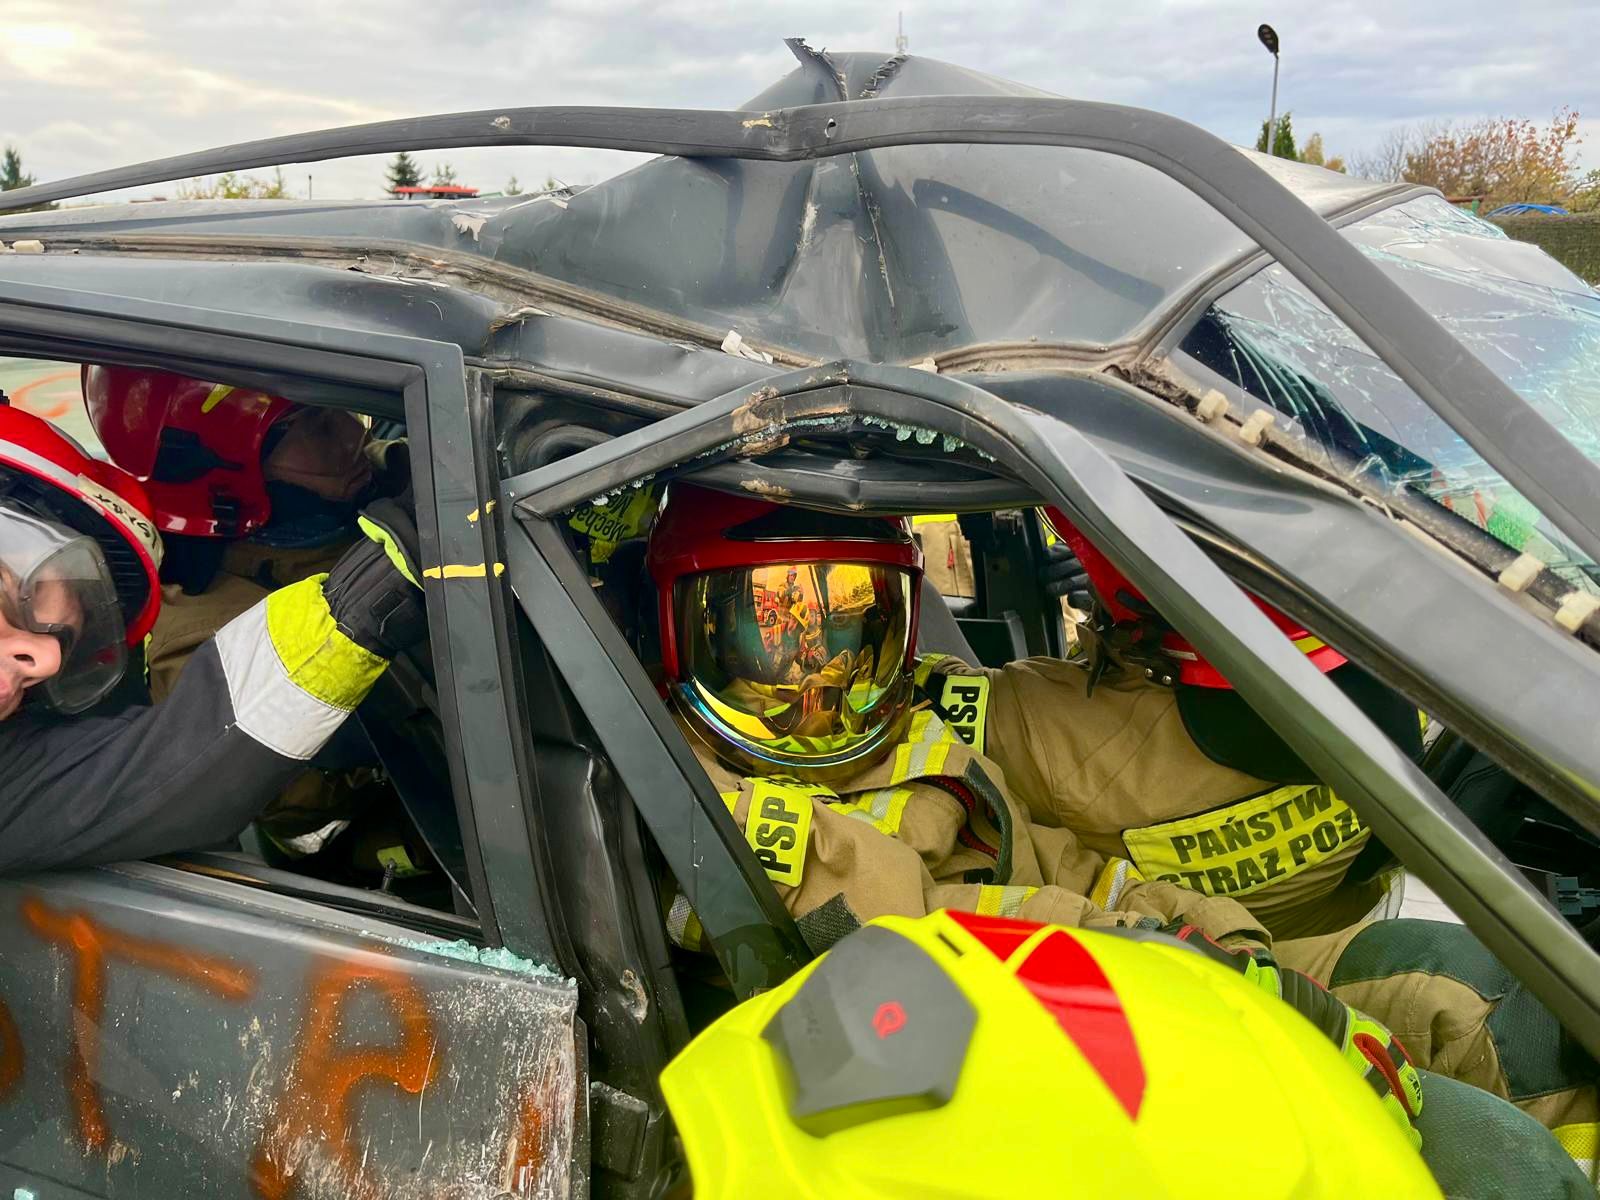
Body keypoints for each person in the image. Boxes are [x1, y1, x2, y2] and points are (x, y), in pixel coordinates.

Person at [1012, 509, 1597, 1174]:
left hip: (1225, 953)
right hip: (1179, 985)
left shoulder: (1021, 725)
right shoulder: (1395, 676)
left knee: (1489, 1005)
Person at [665, 909, 1592, 1199]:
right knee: (1509, 1158)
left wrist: (1204, 947)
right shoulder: (713, 806)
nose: (817, 661)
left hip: (1126, 969)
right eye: (771, 616)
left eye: (853, 616)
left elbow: (1066, 875)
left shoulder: (945, 723)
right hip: (1061, 1029)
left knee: (1492, 993)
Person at [0, 403, 425, 874]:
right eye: (14, 589)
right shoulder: (198, 628)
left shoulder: (14, 775)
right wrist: (394, 564)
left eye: (61, 639)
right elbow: (203, 757)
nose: (44, 658)